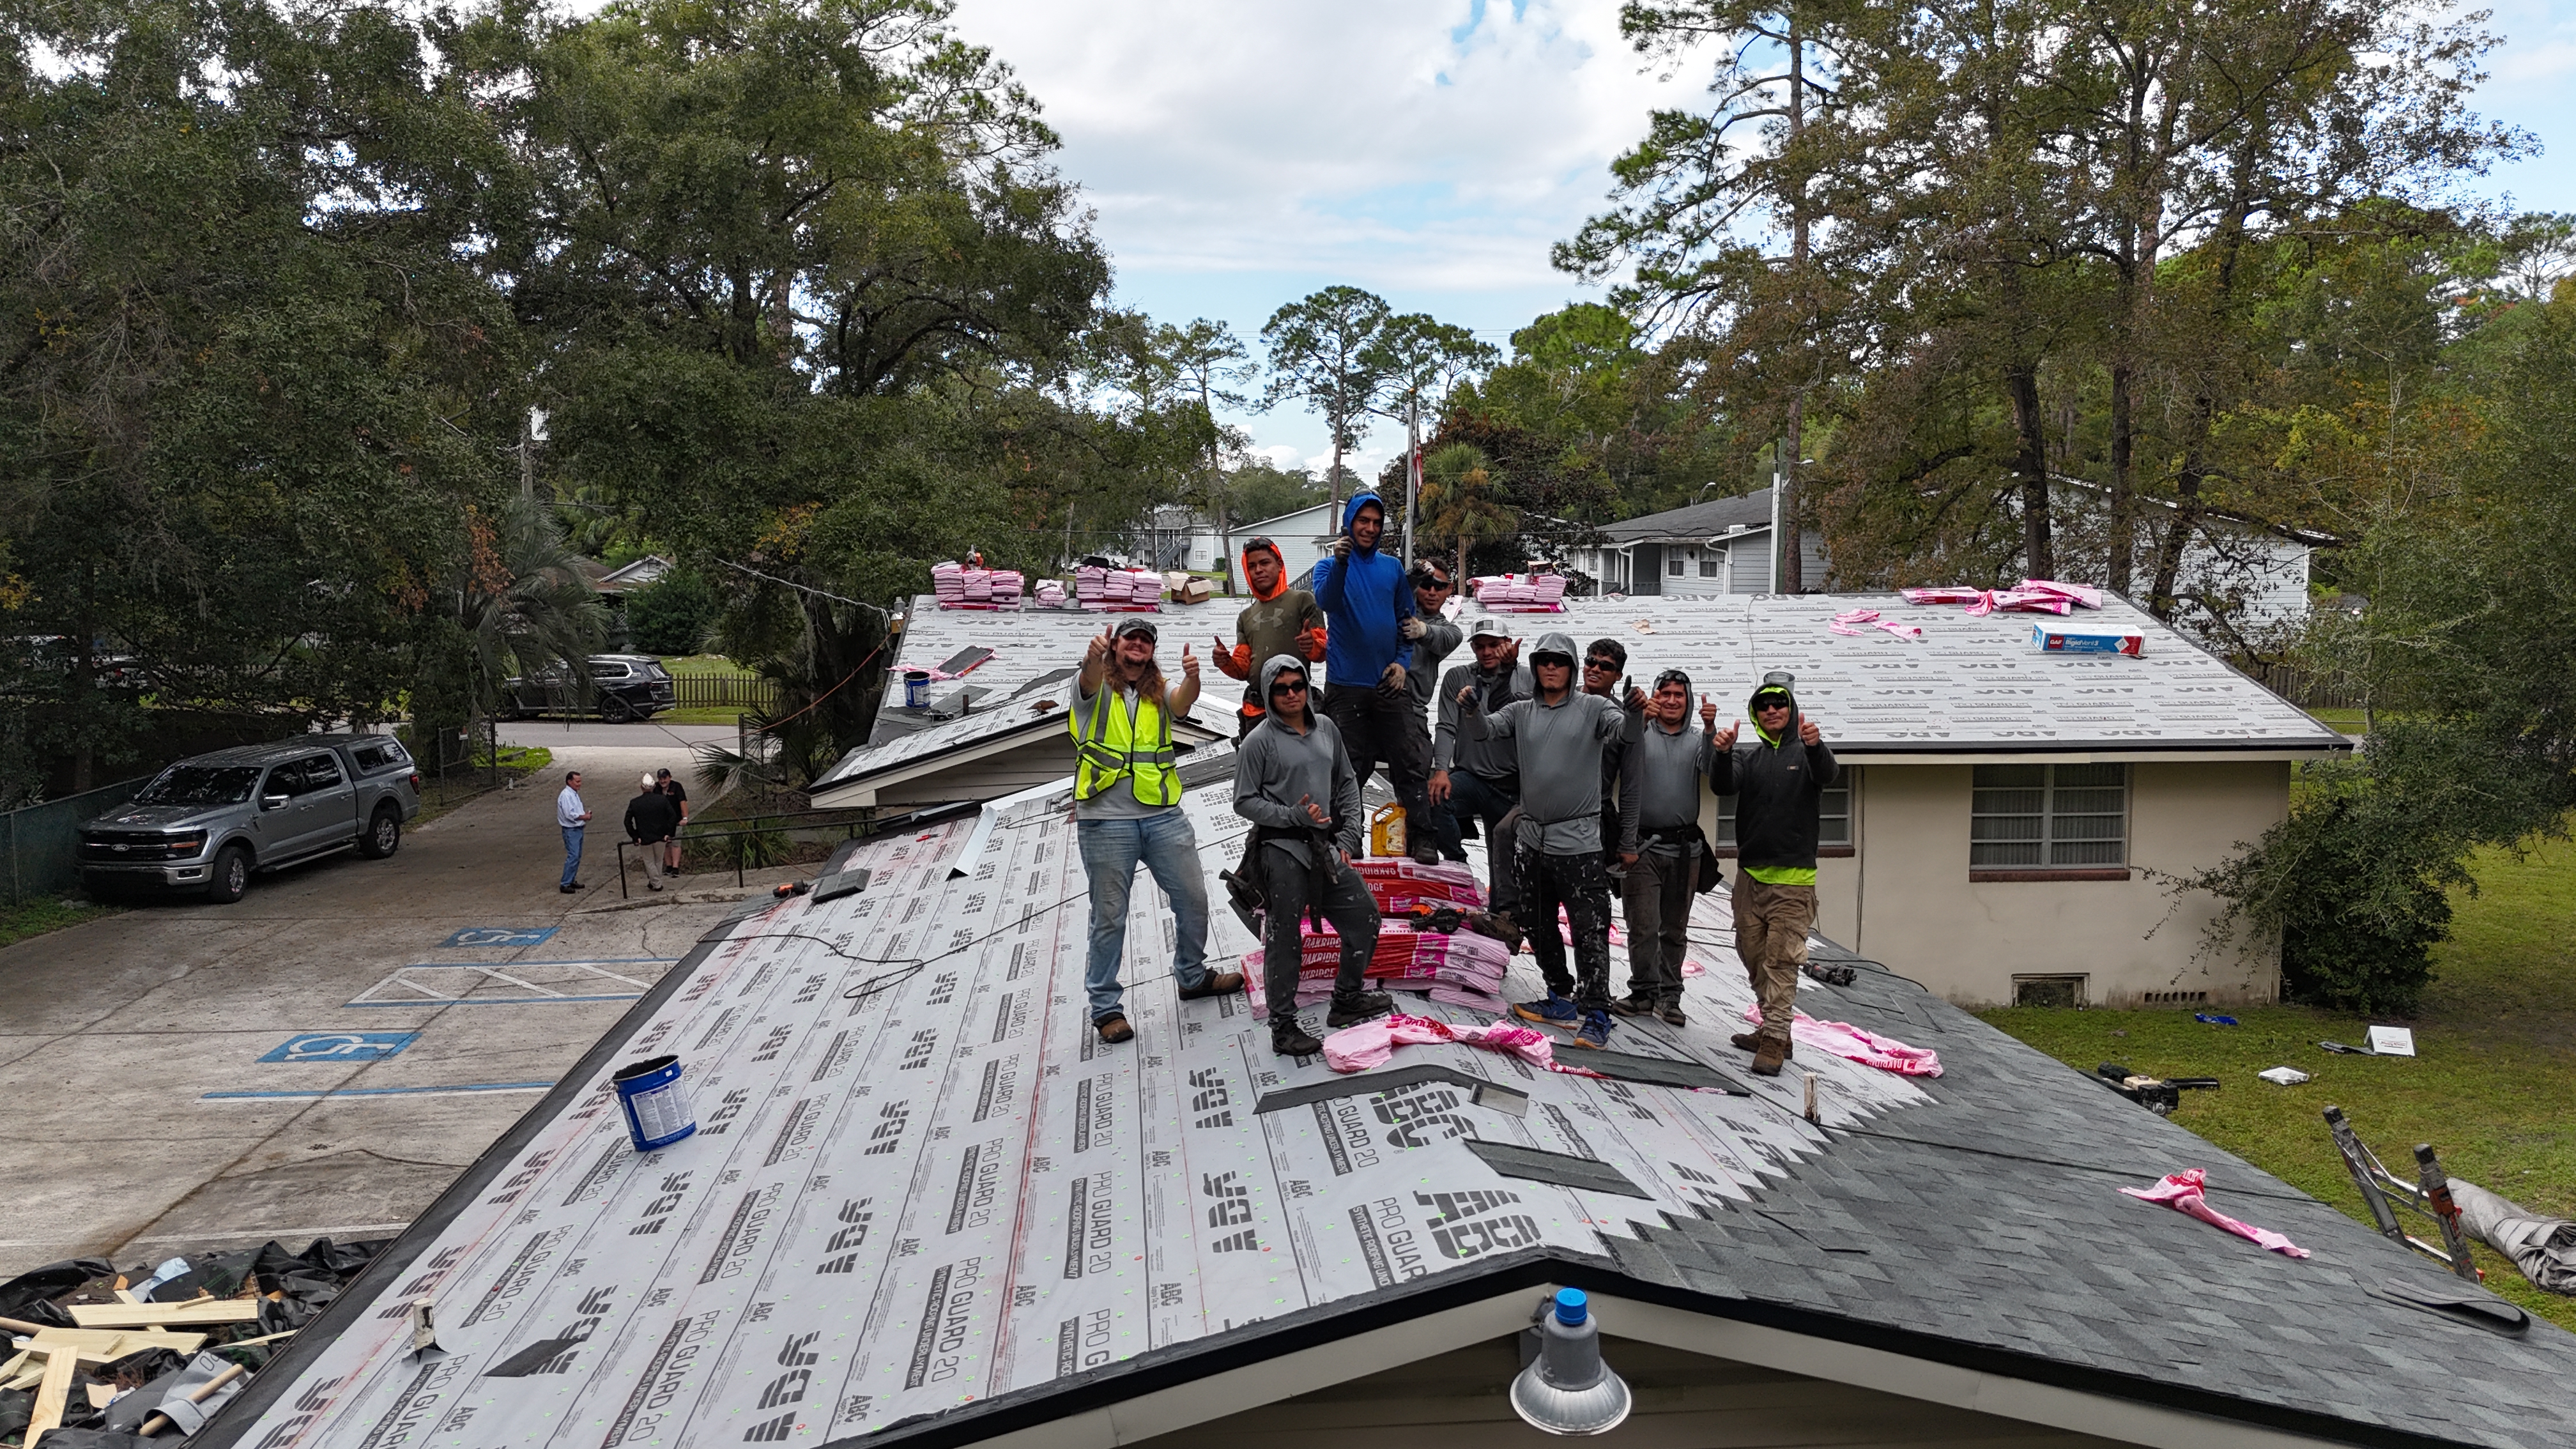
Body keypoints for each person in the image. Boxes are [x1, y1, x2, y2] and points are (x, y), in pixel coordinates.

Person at [1462, 631, 1642, 1050]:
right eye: (1544, 661)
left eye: (1559, 662)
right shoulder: (1522, 711)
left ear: (1572, 668)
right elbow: (1485, 732)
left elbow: (1626, 736)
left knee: (1589, 929)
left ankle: (1596, 1010)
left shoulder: (1595, 708)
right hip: (1532, 839)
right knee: (1537, 924)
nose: (1550, 668)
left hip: (1578, 841)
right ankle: (1560, 995)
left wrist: (1634, 713)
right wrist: (1471, 710)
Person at [1071, 617, 1243, 1043]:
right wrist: (1093, 658)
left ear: (1151, 651)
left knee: (1193, 899)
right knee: (1109, 917)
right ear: (1115, 647)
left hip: (1162, 814)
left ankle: (1192, 976)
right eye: (1131, 639)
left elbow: (1182, 703)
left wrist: (1194, 677)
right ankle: (1106, 1008)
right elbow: (1089, 680)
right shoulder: (1095, 688)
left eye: (1146, 641)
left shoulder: (1155, 689)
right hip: (1106, 819)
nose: (1139, 646)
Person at [1232, 654, 1392, 1055]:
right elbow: (1244, 801)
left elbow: (1346, 783)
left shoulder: (1326, 729)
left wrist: (1349, 839)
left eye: (1297, 686)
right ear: (1269, 695)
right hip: (1280, 849)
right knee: (1285, 938)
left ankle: (1347, 999)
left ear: (1307, 687)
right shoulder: (1259, 742)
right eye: (1281, 689)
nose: (1291, 694)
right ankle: (1283, 1027)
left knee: (1365, 917)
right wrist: (1292, 816)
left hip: (1324, 848)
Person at [1711, 671, 1839, 1076]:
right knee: (1752, 957)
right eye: (1764, 704)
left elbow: (1828, 774)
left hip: (1792, 882)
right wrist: (1721, 753)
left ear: (1791, 709)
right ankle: (1774, 1028)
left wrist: (1816, 746)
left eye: (1779, 703)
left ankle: (1774, 1042)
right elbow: (1721, 786)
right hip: (1749, 878)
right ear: (1755, 711)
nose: (1772, 709)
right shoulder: (1749, 757)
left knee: (1781, 963)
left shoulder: (1807, 753)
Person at [1308, 491, 1437, 865]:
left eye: (1376, 523)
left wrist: (1402, 662)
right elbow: (1328, 602)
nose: (1369, 528)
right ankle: (1346, 841)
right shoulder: (1328, 567)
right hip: (1347, 684)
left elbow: (1405, 620)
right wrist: (1342, 562)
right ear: (1350, 523)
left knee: (1409, 762)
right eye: (1363, 521)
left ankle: (1423, 840)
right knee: (1349, 769)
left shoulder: (1393, 568)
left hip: (1389, 682)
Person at [1611, 670, 1714, 1027]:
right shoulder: (1639, 733)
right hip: (1640, 846)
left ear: (1688, 701)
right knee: (1642, 925)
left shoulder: (1699, 740)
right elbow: (1616, 749)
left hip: (1686, 850)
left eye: (1679, 695)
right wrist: (1639, 717)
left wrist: (1714, 734)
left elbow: (1717, 776)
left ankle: (1670, 997)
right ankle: (1643, 992)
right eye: (1665, 693)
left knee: (1674, 929)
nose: (1672, 700)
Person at [1430, 618, 1529, 921]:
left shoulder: (1528, 679)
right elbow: (1446, 727)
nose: (1487, 652)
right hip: (1471, 777)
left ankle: (1501, 924)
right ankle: (1460, 871)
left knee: (1504, 867)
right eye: (1480, 645)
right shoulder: (1458, 678)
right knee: (1434, 799)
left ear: (1508, 645)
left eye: (1494, 645)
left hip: (1512, 787)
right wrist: (1441, 770)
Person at [1211, 537, 1327, 740]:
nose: (1258, 570)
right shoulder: (1246, 616)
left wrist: (1312, 645)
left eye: (1265, 563)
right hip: (1257, 710)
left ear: (1279, 565)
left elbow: (1322, 651)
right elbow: (1244, 667)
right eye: (1252, 566)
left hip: (1294, 705)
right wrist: (1225, 662)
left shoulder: (1303, 600)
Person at [1399, 561, 1465, 860]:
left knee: (1419, 777)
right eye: (1426, 584)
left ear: (1449, 590)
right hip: (1372, 701)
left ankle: (1426, 842)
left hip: (1411, 712)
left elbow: (1445, 638)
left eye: (1439, 586)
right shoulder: (1397, 609)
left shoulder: (1446, 629)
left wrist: (1422, 629)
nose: (1432, 591)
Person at [1581, 638, 1642, 874]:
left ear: (1618, 675)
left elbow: (1631, 784)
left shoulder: (1627, 720)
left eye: (1605, 666)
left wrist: (1627, 842)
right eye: (1591, 661)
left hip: (1596, 818)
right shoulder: (1559, 701)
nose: (1595, 669)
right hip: (1550, 815)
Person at [623, 772, 678, 892]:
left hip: (644, 837)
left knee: (649, 861)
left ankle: (656, 883)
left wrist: (635, 835)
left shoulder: (635, 802)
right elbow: (672, 816)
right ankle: (655, 882)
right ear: (654, 786)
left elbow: (627, 821)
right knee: (658, 860)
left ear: (642, 787)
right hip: (661, 835)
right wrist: (669, 833)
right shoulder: (662, 800)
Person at [555, 770, 590, 893]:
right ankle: (565, 883)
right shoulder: (566, 795)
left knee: (577, 856)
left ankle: (571, 879)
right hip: (571, 829)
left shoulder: (574, 794)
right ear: (570, 781)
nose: (579, 784)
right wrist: (583, 817)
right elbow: (569, 814)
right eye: (577, 781)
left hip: (577, 829)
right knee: (573, 856)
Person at [656, 767, 689, 876]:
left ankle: (675, 867)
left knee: (675, 843)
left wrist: (685, 818)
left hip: (676, 820)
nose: (663, 781)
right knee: (665, 844)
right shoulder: (656, 788)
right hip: (662, 821)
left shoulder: (677, 786)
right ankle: (668, 866)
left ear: (670, 777)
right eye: (660, 779)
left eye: (665, 778)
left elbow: (682, 802)